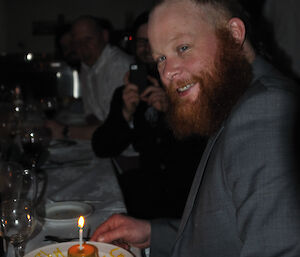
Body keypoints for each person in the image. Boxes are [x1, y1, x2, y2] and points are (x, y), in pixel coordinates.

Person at [91, 0, 300, 256]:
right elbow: (228, 232)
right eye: (161, 58)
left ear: (234, 35)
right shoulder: (232, 96)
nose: (167, 72)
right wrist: (153, 233)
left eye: (183, 47)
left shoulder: (264, 109)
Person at [91, 11, 207, 219]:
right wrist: (126, 113)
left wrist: (171, 111)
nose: (146, 47)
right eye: (141, 41)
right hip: (149, 193)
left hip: (189, 198)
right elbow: (102, 147)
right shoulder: (127, 92)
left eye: (153, 40)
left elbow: (200, 153)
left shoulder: (188, 86)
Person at [46, 15, 133, 140]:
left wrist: (64, 131)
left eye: (88, 39)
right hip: (105, 144)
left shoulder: (119, 67)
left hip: (127, 151)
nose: (82, 46)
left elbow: (115, 130)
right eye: (77, 41)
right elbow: (91, 114)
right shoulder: (86, 65)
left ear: (104, 36)